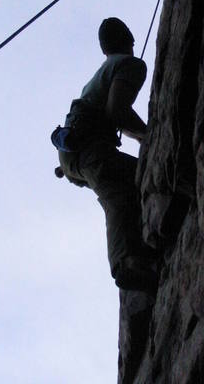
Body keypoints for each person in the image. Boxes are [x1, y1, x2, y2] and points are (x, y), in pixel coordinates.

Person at [54, 17, 157, 293]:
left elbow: (113, 114)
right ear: (131, 41)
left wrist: (143, 137)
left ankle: (136, 252)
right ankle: (126, 265)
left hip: (72, 155)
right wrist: (151, 136)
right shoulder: (130, 65)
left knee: (123, 184)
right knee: (122, 191)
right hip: (88, 149)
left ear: (104, 49)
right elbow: (117, 111)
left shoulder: (102, 71)